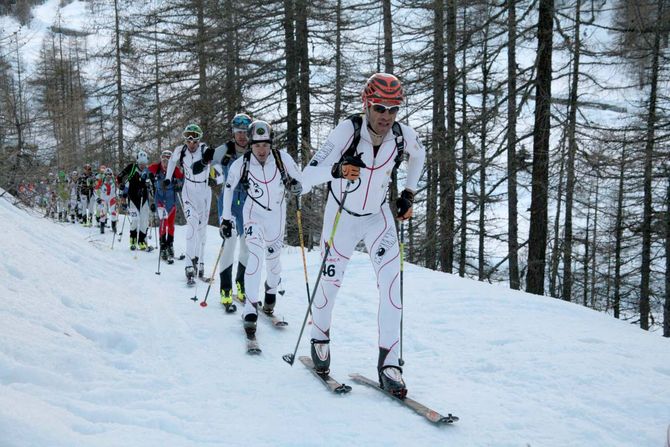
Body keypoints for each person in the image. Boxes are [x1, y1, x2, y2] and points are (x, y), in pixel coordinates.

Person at [301, 73, 425, 397]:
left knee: (391, 285)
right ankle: (320, 337)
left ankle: (389, 363)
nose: (386, 116)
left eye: (393, 109)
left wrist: (409, 194)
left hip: (378, 218)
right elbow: (307, 175)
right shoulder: (348, 130)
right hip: (342, 215)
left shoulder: (401, 136)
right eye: (380, 107)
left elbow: (420, 156)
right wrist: (338, 170)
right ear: (367, 104)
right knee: (331, 282)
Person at [220, 120, 302, 339]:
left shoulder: (282, 158)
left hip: (277, 215)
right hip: (253, 214)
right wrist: (226, 219)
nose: (262, 150)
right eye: (257, 145)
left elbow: (301, 180)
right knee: (255, 257)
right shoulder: (242, 163)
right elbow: (228, 190)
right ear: (250, 144)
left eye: (265, 144)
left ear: (270, 142)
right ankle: (250, 308)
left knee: (273, 263)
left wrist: (296, 185)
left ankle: (271, 291)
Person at [198, 113, 252, 311]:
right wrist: (204, 161)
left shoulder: (256, 149)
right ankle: (226, 290)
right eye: (238, 132)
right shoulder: (226, 149)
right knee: (229, 244)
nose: (242, 136)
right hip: (228, 203)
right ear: (233, 132)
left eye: (245, 133)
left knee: (247, 246)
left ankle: (241, 284)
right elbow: (206, 164)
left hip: (248, 203)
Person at [165, 124, 212, 285]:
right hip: (189, 192)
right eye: (188, 140)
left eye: (194, 140)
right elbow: (172, 162)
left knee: (202, 230)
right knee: (191, 225)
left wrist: (216, 177)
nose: (191, 144)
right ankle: (188, 266)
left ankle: (201, 263)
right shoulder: (181, 150)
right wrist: (168, 178)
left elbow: (218, 165)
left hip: (204, 193)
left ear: (199, 140)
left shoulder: (205, 149)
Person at [148, 150, 184, 263]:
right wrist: (148, 176)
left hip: (171, 201)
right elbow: (145, 172)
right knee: (163, 223)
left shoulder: (174, 169)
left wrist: (179, 185)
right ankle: (163, 247)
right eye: (163, 160)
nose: (165, 163)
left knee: (171, 225)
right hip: (160, 200)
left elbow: (183, 178)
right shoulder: (156, 167)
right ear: (161, 159)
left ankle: (170, 245)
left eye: (168, 160)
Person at [117, 150, 155, 251]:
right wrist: (120, 184)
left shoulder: (148, 171)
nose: (142, 166)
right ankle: (133, 240)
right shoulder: (132, 167)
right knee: (135, 220)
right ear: (138, 161)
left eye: (144, 164)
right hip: (133, 198)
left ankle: (142, 241)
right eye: (141, 163)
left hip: (144, 199)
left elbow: (153, 185)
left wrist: (154, 198)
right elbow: (119, 177)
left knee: (144, 221)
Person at [94, 167, 118, 234]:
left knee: (113, 211)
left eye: (110, 174)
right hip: (103, 198)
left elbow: (118, 188)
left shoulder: (114, 180)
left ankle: (113, 226)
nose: (108, 176)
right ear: (104, 174)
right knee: (103, 212)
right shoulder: (101, 180)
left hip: (111, 198)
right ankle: (102, 227)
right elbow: (95, 190)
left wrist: (119, 195)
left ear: (111, 174)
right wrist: (97, 198)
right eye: (107, 174)